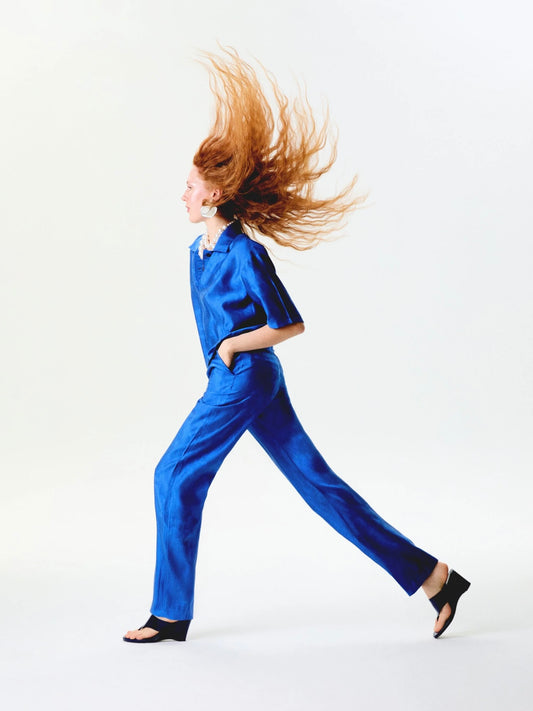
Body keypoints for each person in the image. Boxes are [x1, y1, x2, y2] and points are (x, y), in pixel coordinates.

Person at [123, 48, 469, 644]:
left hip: (246, 377)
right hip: (235, 379)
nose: (182, 195)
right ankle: (435, 577)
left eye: (189, 187)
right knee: (318, 485)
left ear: (213, 195)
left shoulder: (244, 253)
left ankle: (170, 614)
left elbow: (290, 324)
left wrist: (233, 348)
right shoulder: (198, 253)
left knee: (173, 474)